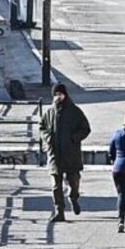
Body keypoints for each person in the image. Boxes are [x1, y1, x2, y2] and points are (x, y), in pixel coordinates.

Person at [41, 82, 91, 222]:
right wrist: (48, 137)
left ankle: (73, 197)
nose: (58, 97)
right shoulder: (49, 112)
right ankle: (59, 211)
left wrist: (73, 138)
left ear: (65, 95)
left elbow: (85, 129)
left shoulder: (74, 111)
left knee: (73, 181)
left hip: (71, 154)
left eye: (60, 94)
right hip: (54, 154)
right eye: (56, 95)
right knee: (56, 186)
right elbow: (42, 128)